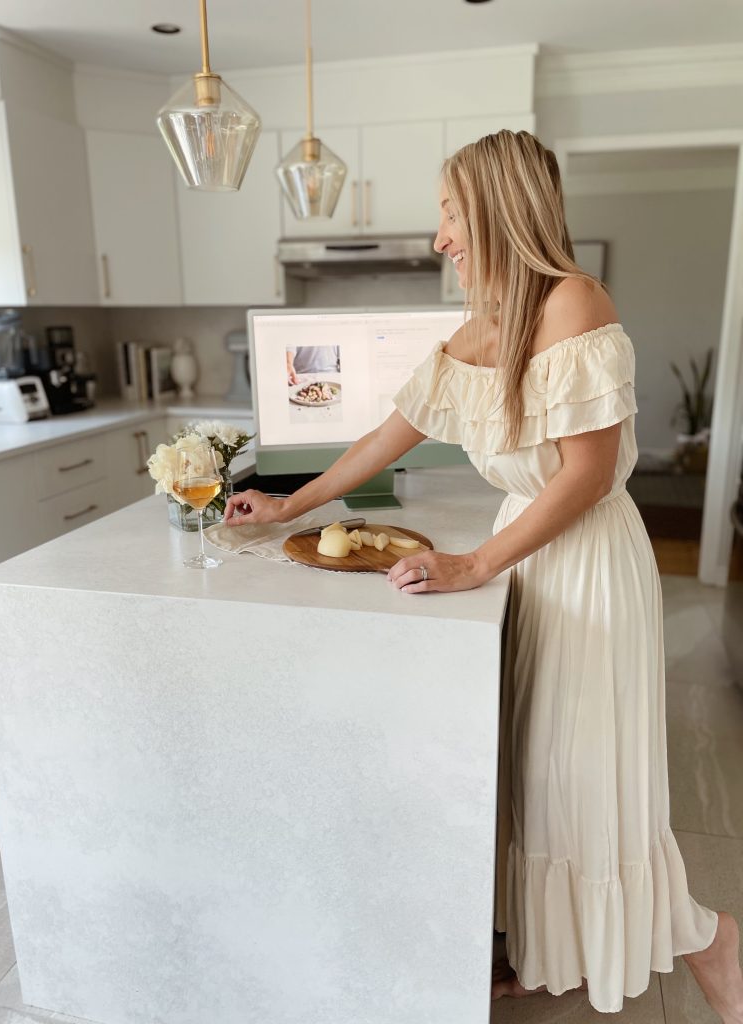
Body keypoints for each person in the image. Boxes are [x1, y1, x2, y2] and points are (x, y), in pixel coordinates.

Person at [224, 130, 743, 1018]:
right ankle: (561, 948)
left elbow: (586, 475)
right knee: (541, 777)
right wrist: (290, 504)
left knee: (587, 782)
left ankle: (711, 939)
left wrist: (473, 562)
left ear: (502, 210)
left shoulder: (576, 303)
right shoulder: (479, 333)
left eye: (452, 214)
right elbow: (389, 433)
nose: (441, 238)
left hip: (585, 564)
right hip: (528, 559)